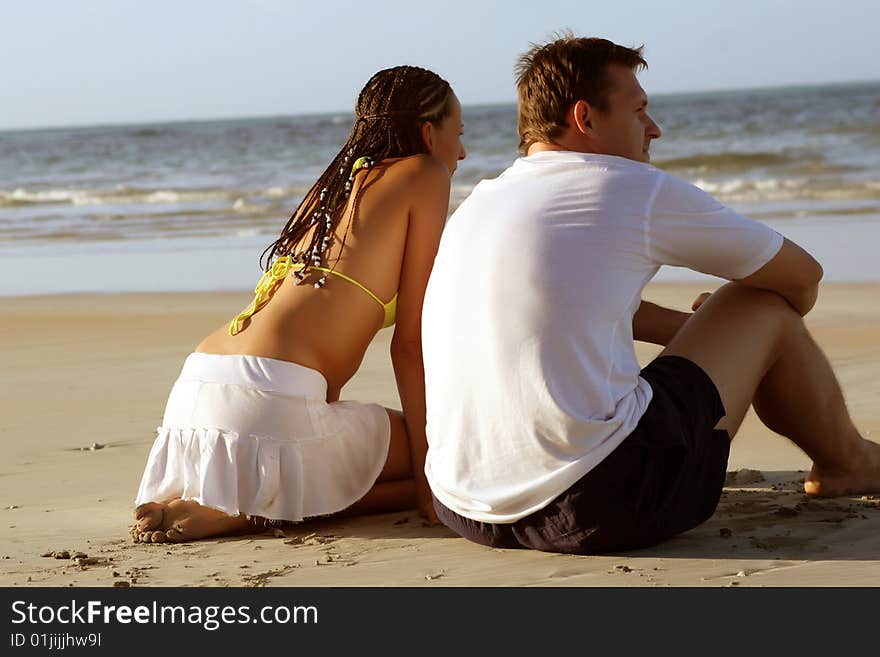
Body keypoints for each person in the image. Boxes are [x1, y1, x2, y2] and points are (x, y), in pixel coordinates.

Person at [421, 35, 880, 555]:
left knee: (739, 310)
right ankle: (849, 461)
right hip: (603, 502)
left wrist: (700, 336)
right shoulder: (626, 185)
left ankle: (840, 450)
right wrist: (752, 336)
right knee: (761, 299)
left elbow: (572, 304)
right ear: (585, 119)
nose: (654, 129)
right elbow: (801, 278)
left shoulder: (484, 202)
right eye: (639, 111)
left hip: (465, 506)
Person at [131, 65, 466, 543]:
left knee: (414, 467)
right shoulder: (425, 173)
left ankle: (214, 499)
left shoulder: (332, 190)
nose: (463, 151)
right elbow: (409, 344)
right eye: (459, 133)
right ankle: (248, 513)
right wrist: (431, 470)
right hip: (269, 402)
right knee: (447, 472)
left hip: (195, 392)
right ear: (428, 132)